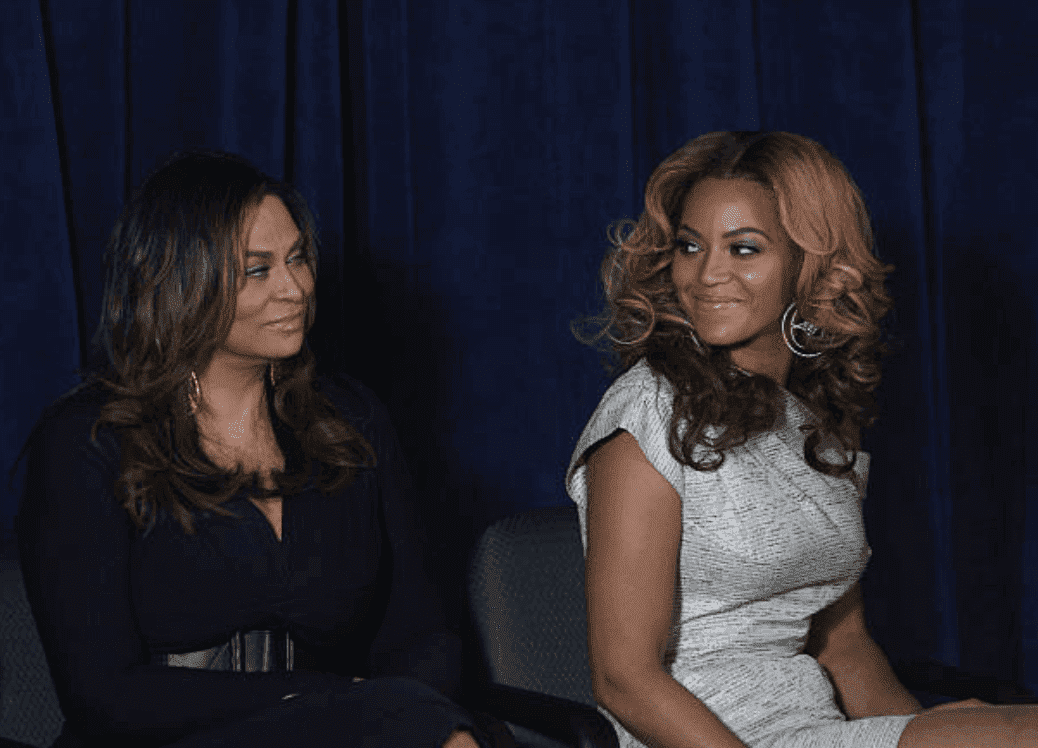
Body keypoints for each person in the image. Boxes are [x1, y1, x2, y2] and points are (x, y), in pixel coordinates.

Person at [13, 150, 504, 748]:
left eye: (297, 259)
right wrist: (345, 707)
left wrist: (402, 716)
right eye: (258, 269)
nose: (295, 288)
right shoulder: (87, 442)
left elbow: (424, 637)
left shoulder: (350, 419)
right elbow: (103, 695)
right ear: (181, 281)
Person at [565, 131, 1038, 748]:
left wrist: (925, 732)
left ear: (808, 268)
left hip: (813, 730)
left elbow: (846, 651)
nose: (707, 274)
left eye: (744, 249)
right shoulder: (649, 412)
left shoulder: (818, 427)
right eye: (689, 245)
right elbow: (624, 680)